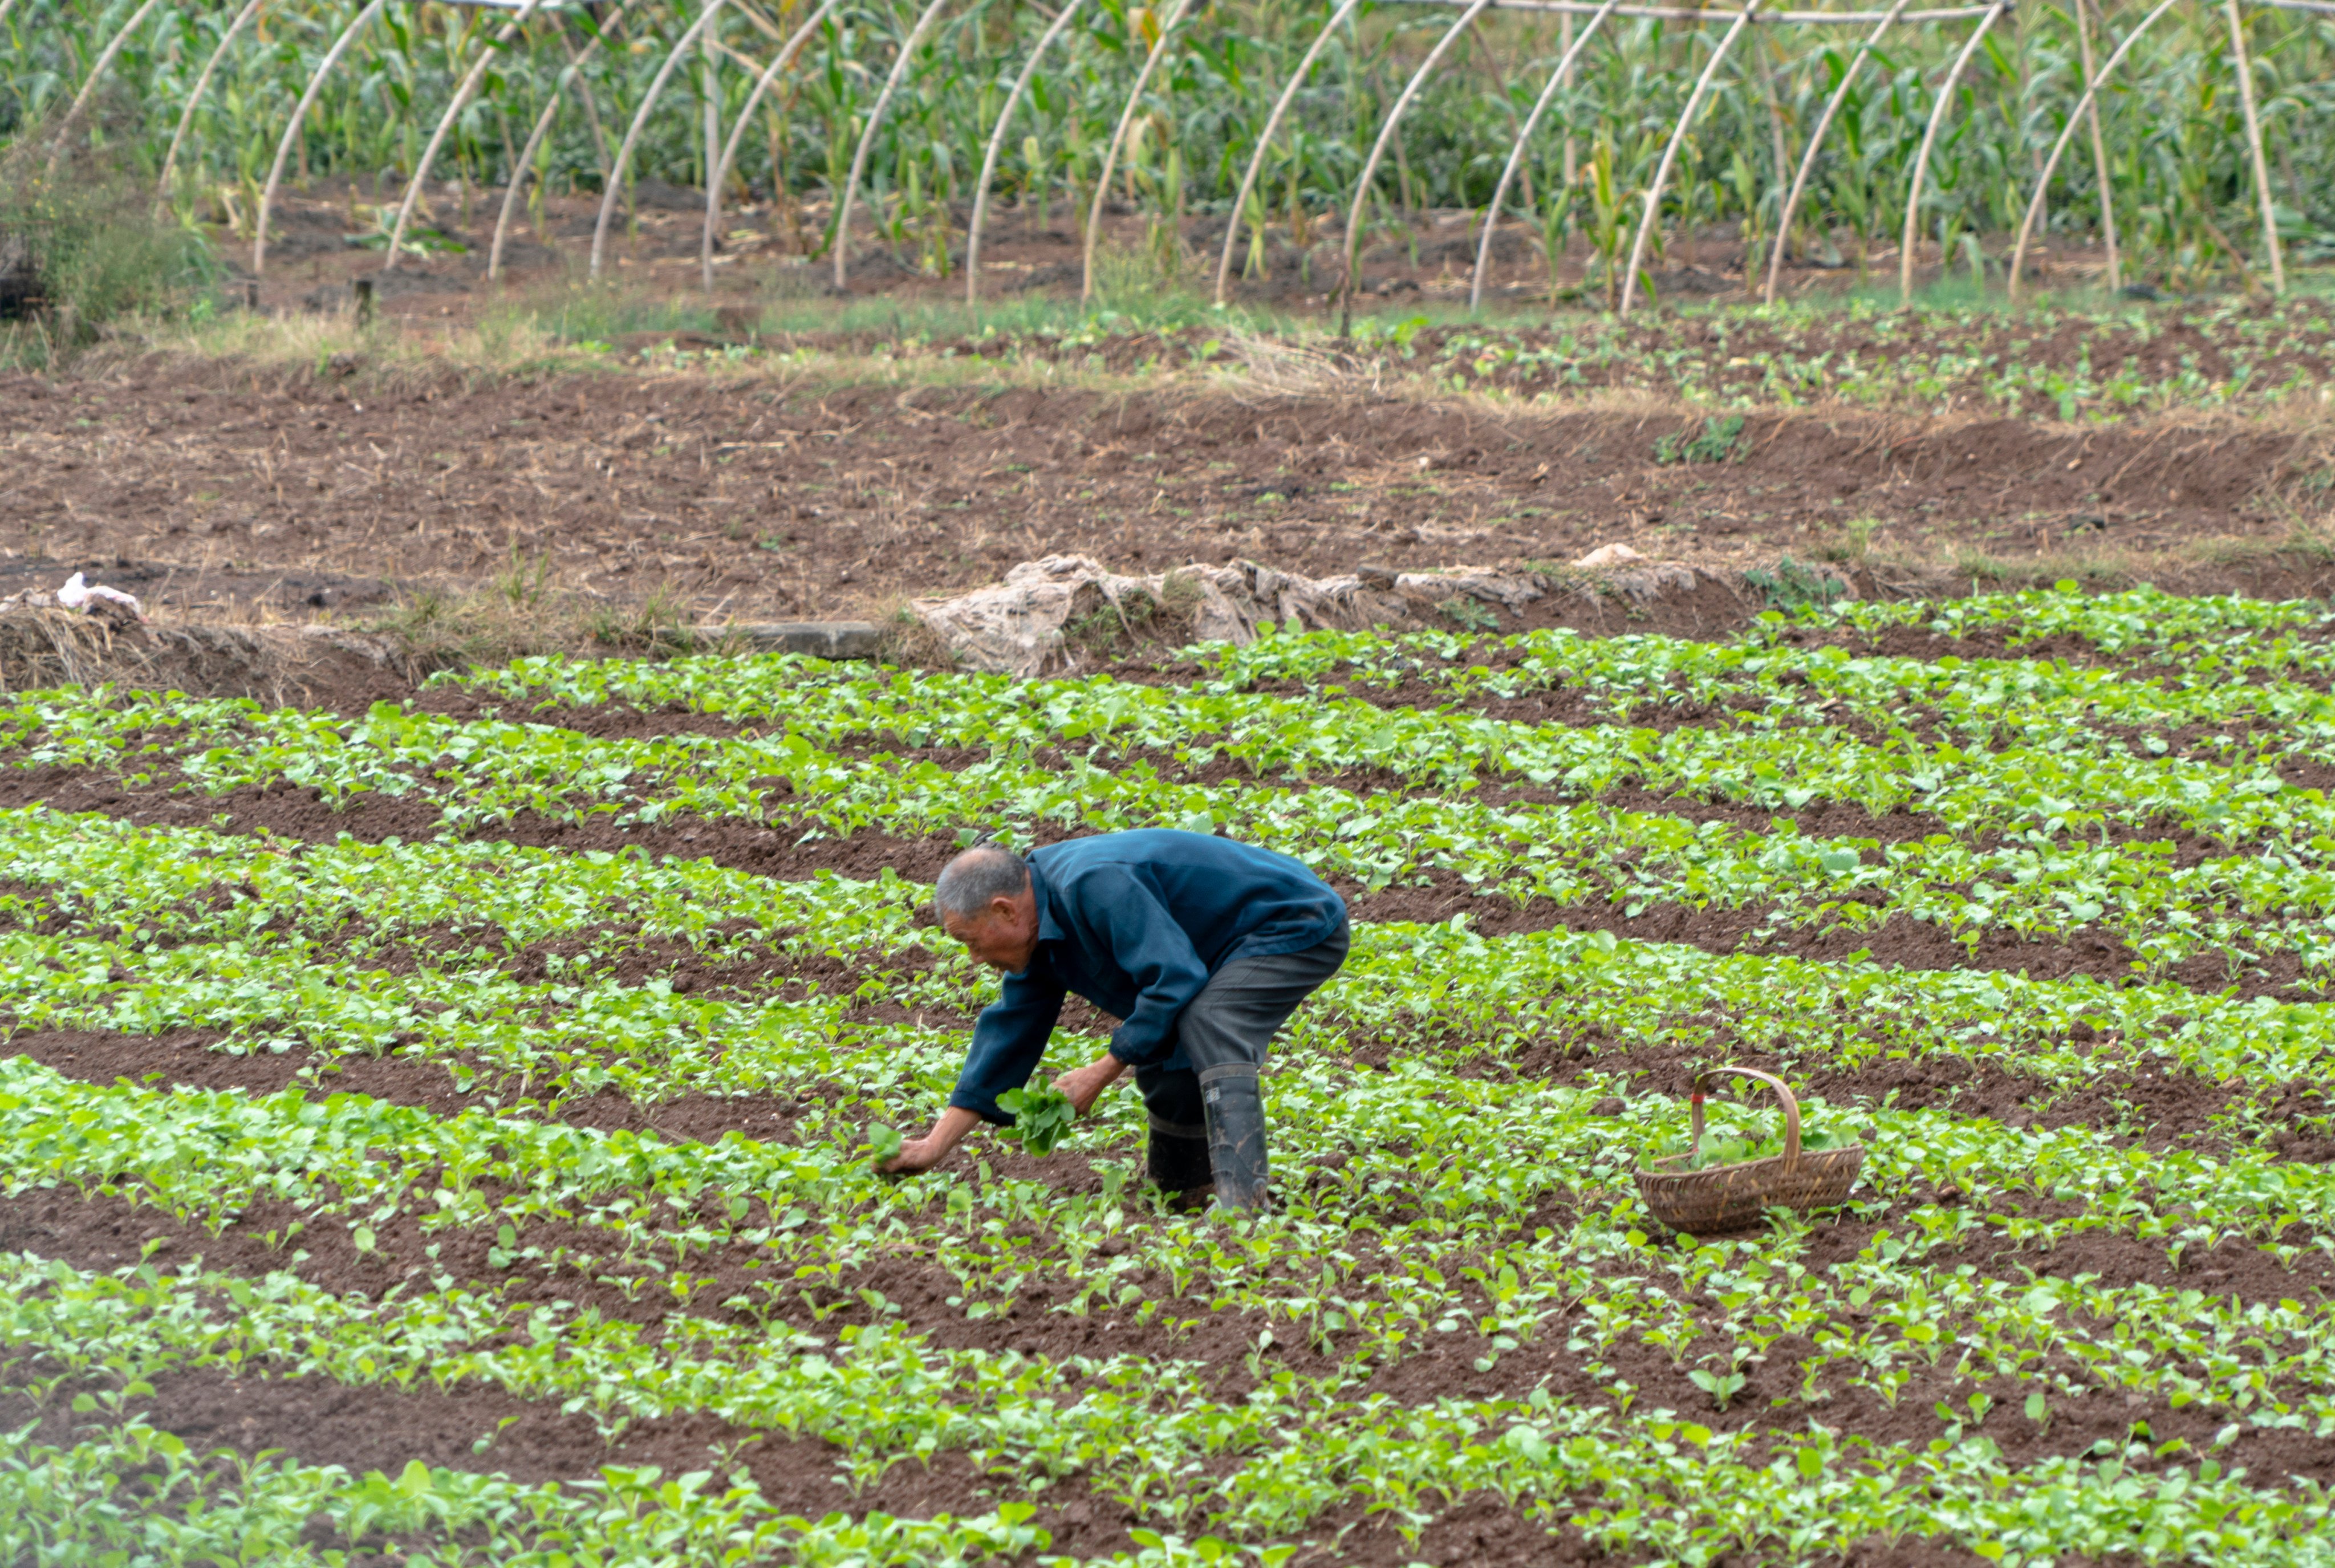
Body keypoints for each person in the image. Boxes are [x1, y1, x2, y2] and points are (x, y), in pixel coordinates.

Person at [877, 828, 1350, 1209]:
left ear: (1004, 910)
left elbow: (1173, 980)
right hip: (1224, 941)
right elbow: (1009, 1035)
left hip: (1294, 920)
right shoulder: (1036, 931)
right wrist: (934, 1145)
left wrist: (1098, 1074)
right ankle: (1182, 1192)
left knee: (1207, 1020)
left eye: (971, 941)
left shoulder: (1093, 883)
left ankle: (1244, 1205)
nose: (975, 958)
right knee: (1167, 1041)